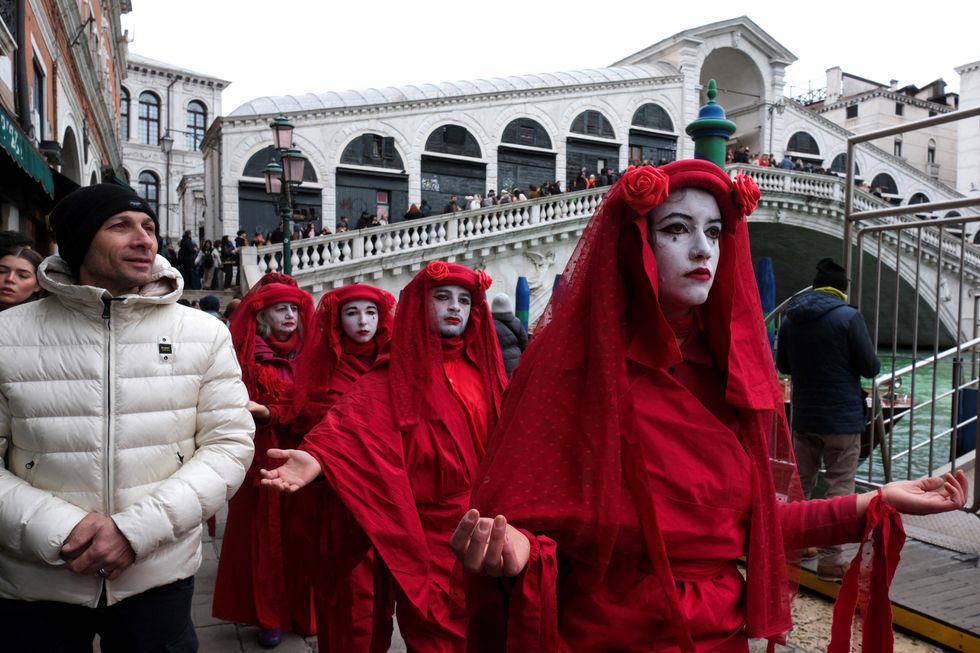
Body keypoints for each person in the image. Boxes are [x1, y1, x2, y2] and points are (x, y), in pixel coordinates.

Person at [449, 161, 969, 652]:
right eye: (677, 229)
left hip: (720, 634)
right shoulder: (570, 374)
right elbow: (527, 531)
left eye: (715, 232)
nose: (703, 250)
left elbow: (751, 529)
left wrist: (879, 502)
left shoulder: (729, 376)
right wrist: (518, 552)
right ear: (639, 245)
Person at [0, 183, 255, 652]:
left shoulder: (203, 333)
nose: (145, 240)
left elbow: (230, 444)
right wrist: (61, 532)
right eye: (121, 226)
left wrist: (135, 531)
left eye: (149, 227)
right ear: (79, 242)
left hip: (156, 576)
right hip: (37, 581)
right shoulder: (6, 334)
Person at [261, 262, 507, 652]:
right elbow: (353, 423)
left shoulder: (487, 373)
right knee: (434, 635)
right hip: (425, 535)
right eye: (442, 297)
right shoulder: (395, 374)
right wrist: (320, 458)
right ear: (420, 307)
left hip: (487, 525)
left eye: (464, 300)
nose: (454, 307)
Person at [290, 284, 397, 653]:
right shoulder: (326, 372)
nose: (363, 321)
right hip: (341, 502)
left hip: (390, 499)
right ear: (338, 321)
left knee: (380, 598)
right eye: (352, 313)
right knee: (351, 593)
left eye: (371, 312)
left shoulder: (395, 365)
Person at [212, 276, 315, 649]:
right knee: (263, 538)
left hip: (307, 455)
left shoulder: (312, 351)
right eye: (280, 309)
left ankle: (305, 610)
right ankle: (267, 614)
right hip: (261, 458)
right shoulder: (244, 356)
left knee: (304, 535)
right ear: (263, 316)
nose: (290, 315)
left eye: (294, 308)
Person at [776, 258, 881, 580]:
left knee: (799, 485)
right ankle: (830, 561)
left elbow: (784, 366)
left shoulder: (791, 319)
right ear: (842, 290)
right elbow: (870, 367)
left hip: (805, 415)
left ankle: (793, 546)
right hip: (842, 418)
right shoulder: (849, 317)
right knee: (840, 487)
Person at [490, 292, 527, 378]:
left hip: (497, 362)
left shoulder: (489, 325)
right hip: (516, 360)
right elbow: (524, 343)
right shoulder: (517, 321)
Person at [0, 246, 43, 310]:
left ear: (38, 285)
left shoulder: (50, 316)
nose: (10, 279)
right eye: (2, 271)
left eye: (23, 275)